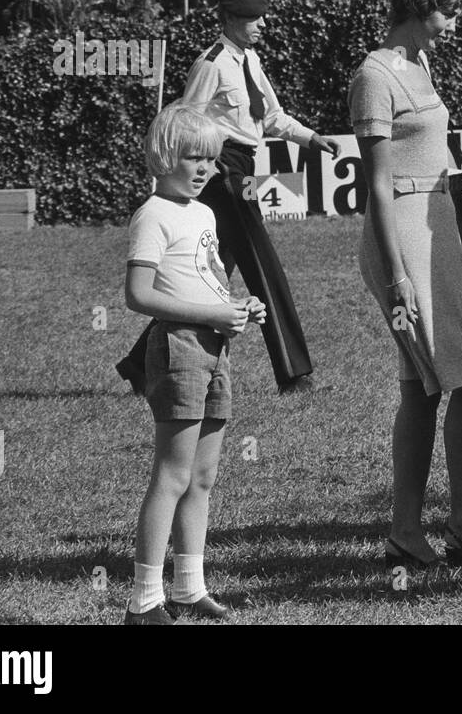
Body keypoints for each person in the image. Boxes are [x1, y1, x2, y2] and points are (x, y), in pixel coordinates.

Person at [349, 0, 462, 569]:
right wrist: (394, 276)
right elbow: (380, 187)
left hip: (436, 227)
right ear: (418, 6)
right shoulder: (375, 75)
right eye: (448, 12)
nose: (454, 24)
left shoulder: (419, 61)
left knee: (421, 389)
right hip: (405, 237)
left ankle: (406, 533)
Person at [115, 0, 339, 395]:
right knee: (263, 264)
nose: (263, 25)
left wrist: (311, 138)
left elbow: (272, 117)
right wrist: (209, 165)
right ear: (232, 20)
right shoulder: (212, 64)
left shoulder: (249, 60)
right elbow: (186, 120)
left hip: (244, 166)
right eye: (256, 18)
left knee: (214, 271)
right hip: (224, 171)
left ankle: (139, 366)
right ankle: (294, 373)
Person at [122, 103, 266, 625]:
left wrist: (240, 304)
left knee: (202, 478)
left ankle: (188, 589)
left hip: (214, 348)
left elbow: (206, 277)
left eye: (210, 159)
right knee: (172, 474)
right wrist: (211, 313)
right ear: (164, 155)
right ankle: (144, 600)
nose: (204, 169)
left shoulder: (203, 213)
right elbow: (139, 294)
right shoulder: (153, 215)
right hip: (179, 347)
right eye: (193, 157)